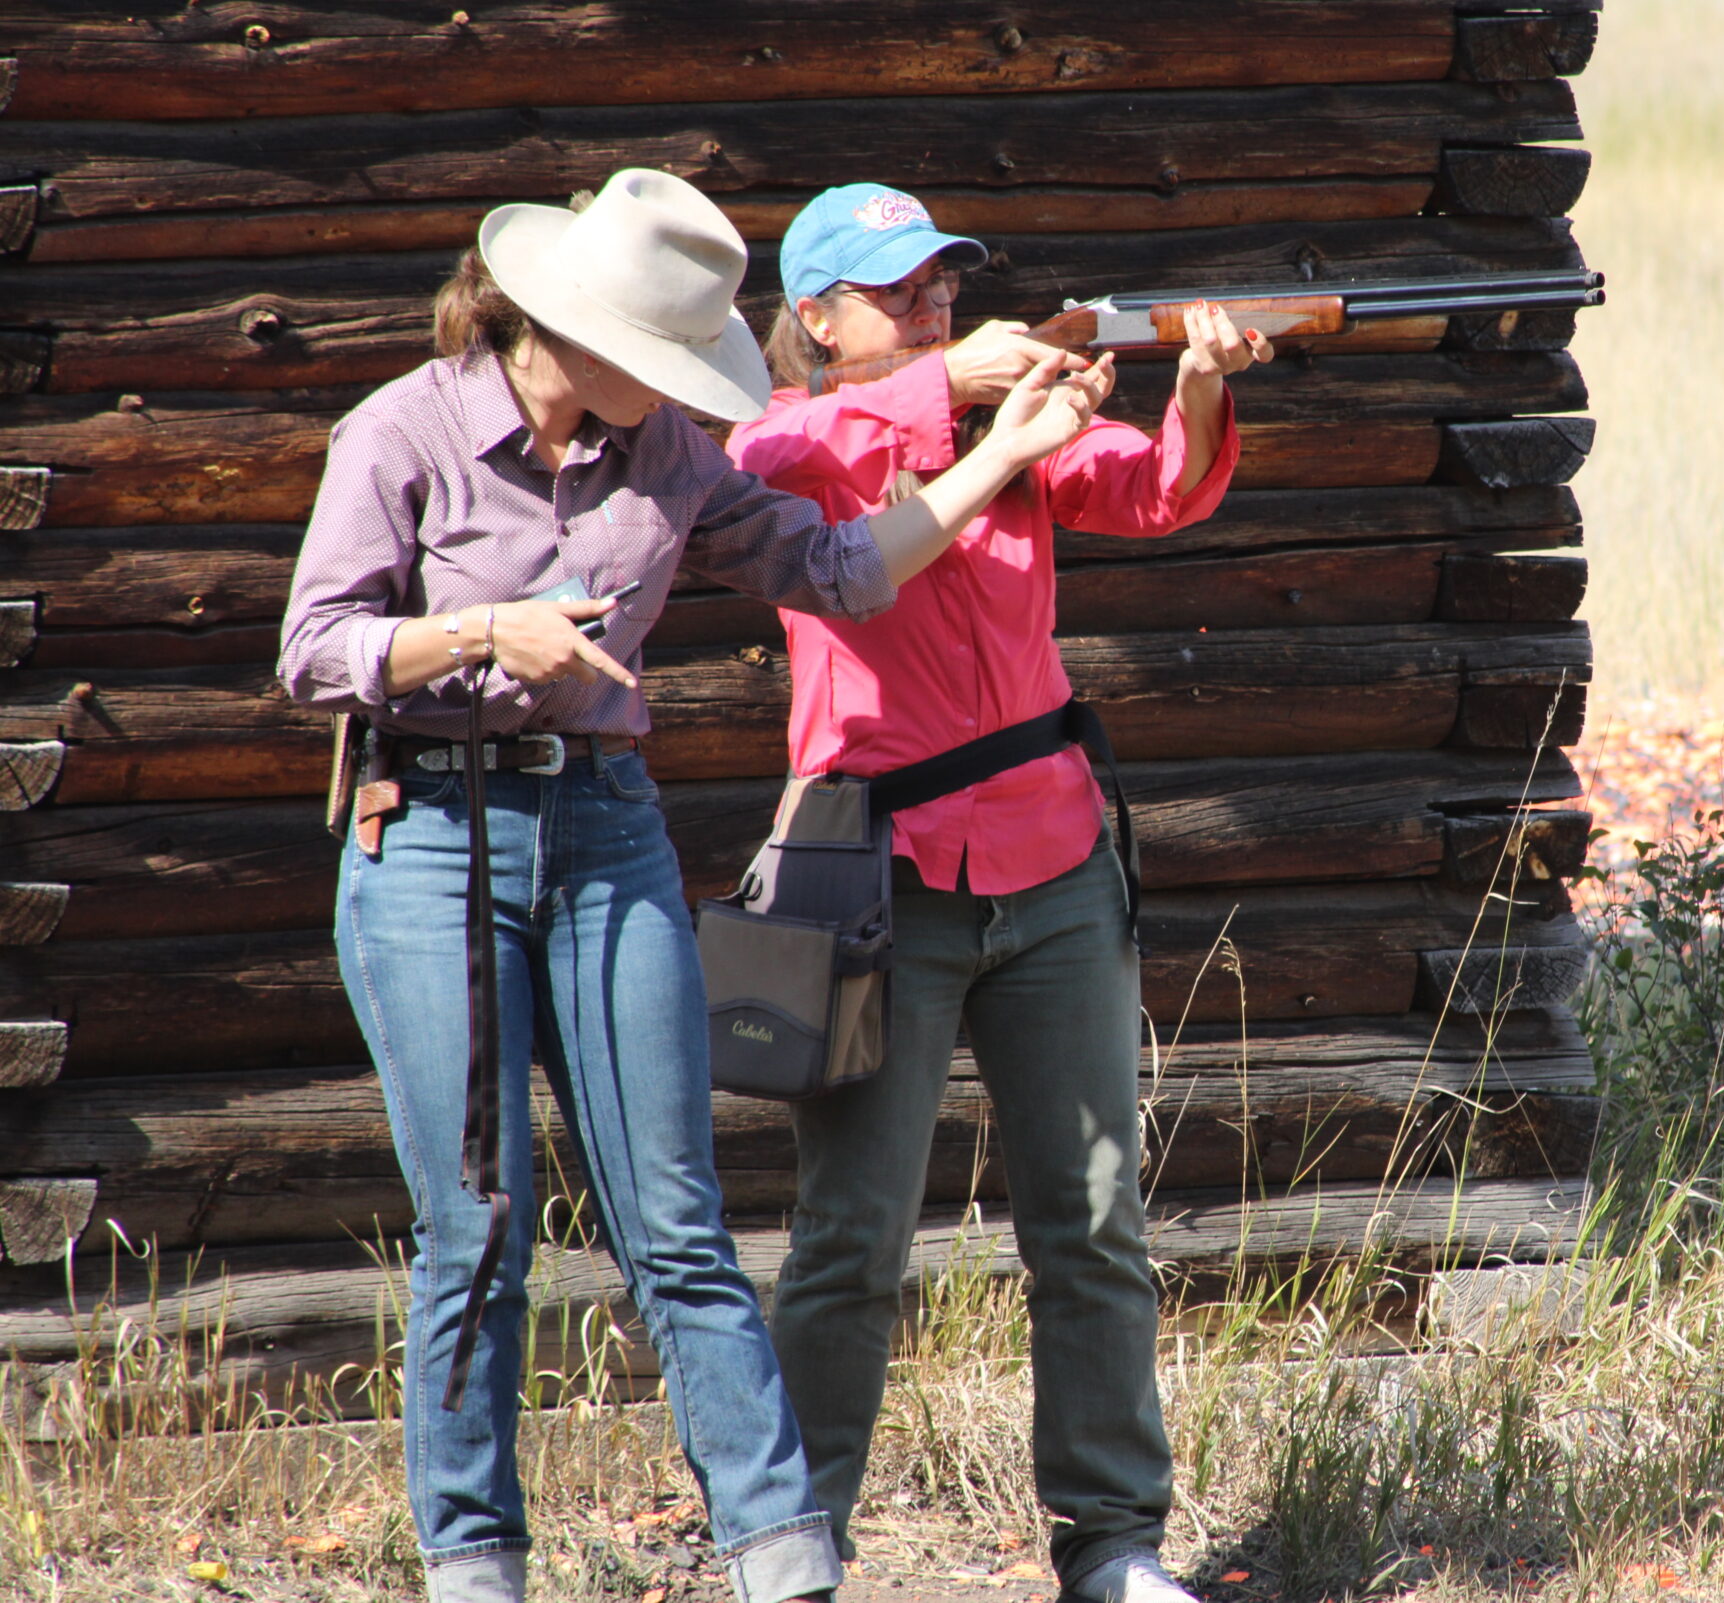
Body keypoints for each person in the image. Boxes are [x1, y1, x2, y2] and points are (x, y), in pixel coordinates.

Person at [277, 169, 1107, 1603]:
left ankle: (785, 1566)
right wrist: (483, 633)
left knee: (677, 1222)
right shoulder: (403, 432)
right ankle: (474, 1568)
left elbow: (836, 567)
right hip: (432, 841)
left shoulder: (662, 451)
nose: (675, 390)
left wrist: (999, 456)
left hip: (605, 830)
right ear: (567, 329)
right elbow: (313, 652)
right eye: (654, 358)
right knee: (477, 1228)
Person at [726, 184, 1272, 1603]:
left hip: (1054, 853)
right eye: (899, 292)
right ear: (817, 319)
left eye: (943, 285)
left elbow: (1154, 489)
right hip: (877, 872)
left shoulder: (1012, 420)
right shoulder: (793, 436)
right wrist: (947, 389)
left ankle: (1113, 1545)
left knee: (1093, 1223)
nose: (934, 308)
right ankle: (800, 1551)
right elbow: (766, 457)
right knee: (852, 1239)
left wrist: (1200, 384)